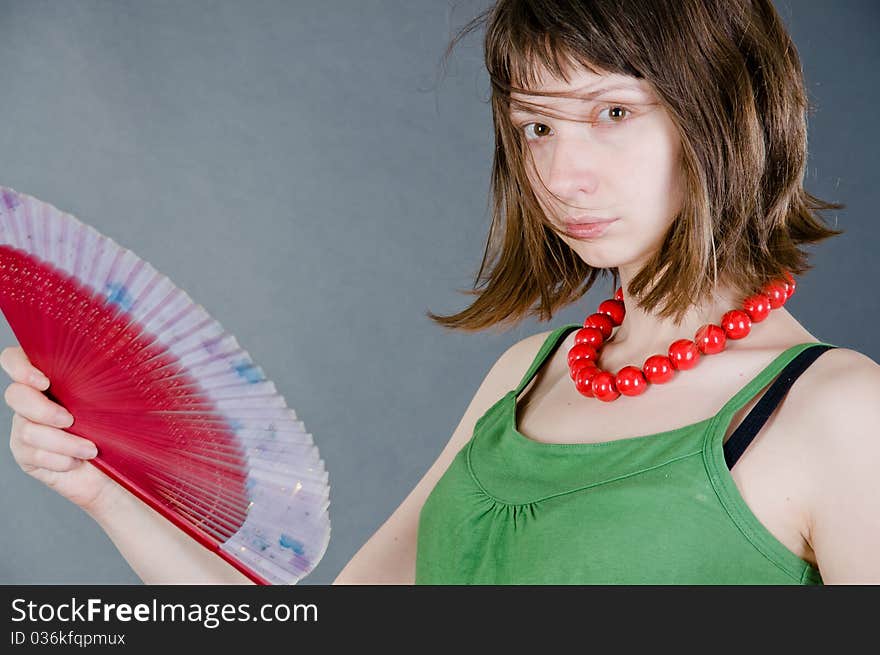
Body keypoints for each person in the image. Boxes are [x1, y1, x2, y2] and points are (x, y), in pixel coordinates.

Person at [3, 0, 879, 585]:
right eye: (535, 125)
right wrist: (101, 490)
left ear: (729, 111)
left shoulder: (837, 412)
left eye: (612, 113)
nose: (562, 172)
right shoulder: (523, 378)